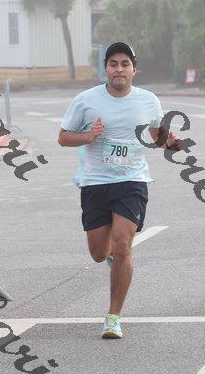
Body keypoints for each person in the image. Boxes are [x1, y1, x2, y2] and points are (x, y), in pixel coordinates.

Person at [58, 42, 180, 339]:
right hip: (96, 182)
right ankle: (111, 253)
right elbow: (63, 137)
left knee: (124, 244)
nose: (119, 69)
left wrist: (170, 141)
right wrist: (88, 136)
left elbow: (156, 137)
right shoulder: (86, 100)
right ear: (106, 69)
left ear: (134, 70)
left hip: (132, 180)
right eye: (113, 63)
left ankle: (113, 317)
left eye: (125, 64)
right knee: (98, 253)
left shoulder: (148, 100)